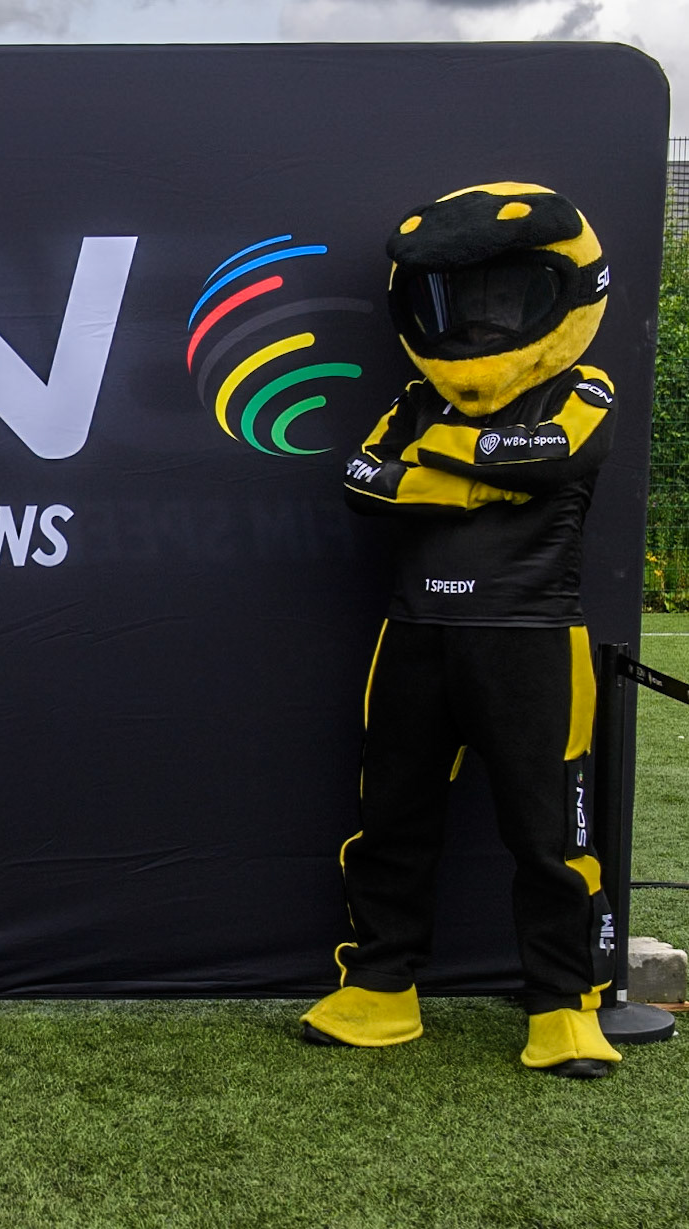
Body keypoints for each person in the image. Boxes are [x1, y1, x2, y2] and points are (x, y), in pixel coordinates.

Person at [304, 182, 623, 1078]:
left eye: (504, 292)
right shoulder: (411, 399)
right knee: (389, 824)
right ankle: (380, 988)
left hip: (531, 638)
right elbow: (364, 483)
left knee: (551, 836)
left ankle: (565, 1007)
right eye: (462, 296)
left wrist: (447, 456)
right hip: (414, 633)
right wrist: (472, 471)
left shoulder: (583, 383)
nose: (481, 318)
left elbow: (552, 454)